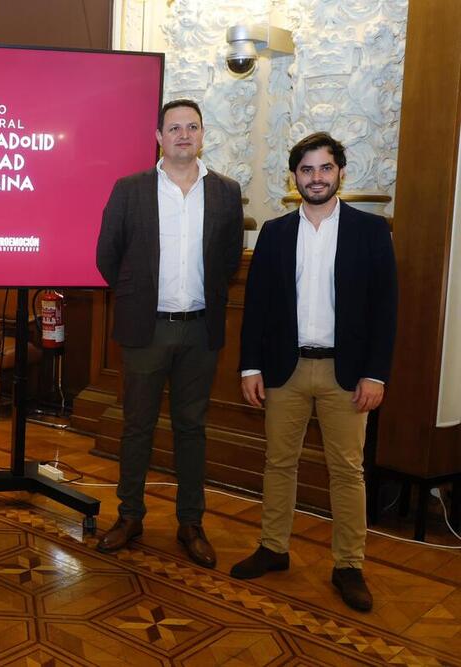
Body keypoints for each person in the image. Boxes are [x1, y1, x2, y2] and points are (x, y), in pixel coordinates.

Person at [231, 132, 397, 612]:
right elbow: (257, 307)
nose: (317, 178)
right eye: (307, 170)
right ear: (295, 177)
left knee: (347, 472)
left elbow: (386, 310)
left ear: (340, 172)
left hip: (348, 376)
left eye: (325, 168)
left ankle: (348, 565)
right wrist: (250, 367)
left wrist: (377, 375)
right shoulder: (275, 232)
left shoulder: (371, 231)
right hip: (285, 370)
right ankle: (273, 548)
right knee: (278, 463)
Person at [95, 99, 244, 567]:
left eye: (192, 127)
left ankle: (190, 523)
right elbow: (107, 255)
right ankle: (130, 515)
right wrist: (138, 297)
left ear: (203, 135)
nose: (183, 134)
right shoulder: (130, 190)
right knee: (137, 426)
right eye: (174, 127)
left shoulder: (225, 192)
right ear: (158, 136)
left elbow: (227, 259)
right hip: (147, 329)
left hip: (200, 331)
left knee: (191, 429)